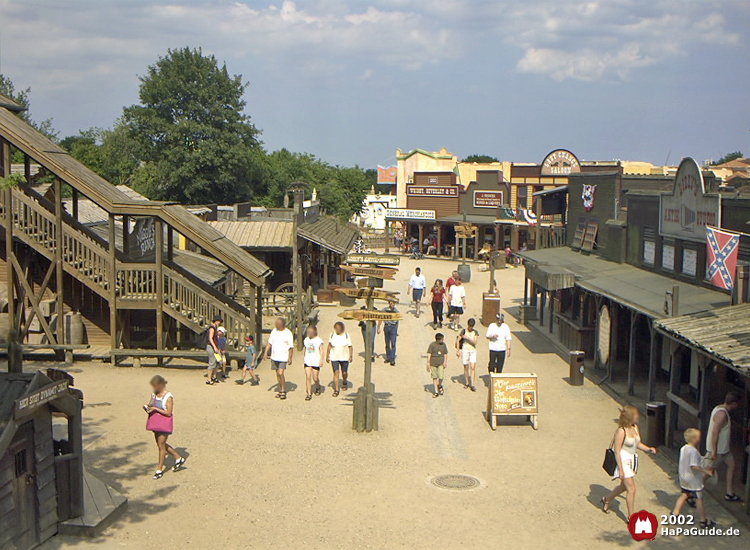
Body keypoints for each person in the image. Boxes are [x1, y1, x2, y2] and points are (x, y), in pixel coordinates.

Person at [601, 406, 657, 519]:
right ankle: (631, 517)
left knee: (623, 487)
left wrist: (648, 449)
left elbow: (638, 444)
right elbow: (617, 451)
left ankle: (607, 499)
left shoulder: (635, 427)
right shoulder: (621, 431)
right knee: (631, 489)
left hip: (632, 461)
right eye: (636, 414)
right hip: (623, 461)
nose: (638, 416)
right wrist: (621, 469)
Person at [702, 392, 742, 502]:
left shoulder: (718, 408)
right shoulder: (722, 415)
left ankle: (729, 493)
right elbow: (715, 432)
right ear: (733, 403)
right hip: (718, 451)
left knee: (732, 465)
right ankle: (692, 489)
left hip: (724, 450)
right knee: (708, 472)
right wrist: (714, 451)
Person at [144, 375, 185, 480]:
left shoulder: (168, 397)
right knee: (160, 443)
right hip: (155, 422)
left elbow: (168, 412)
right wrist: (148, 408)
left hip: (163, 422)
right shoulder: (154, 394)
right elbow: (150, 404)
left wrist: (155, 409)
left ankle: (159, 469)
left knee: (161, 445)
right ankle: (178, 457)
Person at [673, 428, 716, 528]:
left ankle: (675, 513)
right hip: (693, 480)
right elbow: (694, 465)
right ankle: (703, 520)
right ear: (694, 439)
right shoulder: (694, 452)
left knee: (684, 494)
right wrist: (706, 471)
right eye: (698, 437)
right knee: (699, 499)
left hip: (684, 477)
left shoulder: (684, 448)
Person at [264, 317, 294, 400]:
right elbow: (269, 343)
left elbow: (291, 347)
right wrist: (265, 352)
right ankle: (280, 389)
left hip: (283, 357)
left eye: (278, 324)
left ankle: (283, 390)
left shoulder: (288, 333)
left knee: (281, 373)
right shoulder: (274, 331)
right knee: (277, 374)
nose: (276, 325)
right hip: (274, 356)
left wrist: (290, 358)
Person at [326, 321, 353, 397]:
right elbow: (329, 345)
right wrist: (327, 355)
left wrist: (350, 355)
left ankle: (344, 381)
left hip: (344, 357)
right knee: (336, 372)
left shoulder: (346, 335)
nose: (336, 330)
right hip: (334, 357)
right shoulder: (332, 335)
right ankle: (336, 389)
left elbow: (350, 347)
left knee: (344, 372)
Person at [303, 325, 324, 401]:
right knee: (308, 376)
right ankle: (309, 393)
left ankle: (317, 386)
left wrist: (321, 360)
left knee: (315, 377)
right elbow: (305, 349)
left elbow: (322, 351)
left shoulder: (319, 340)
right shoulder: (306, 340)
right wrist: (304, 358)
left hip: (315, 360)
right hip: (308, 360)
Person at [457, 318, 479, 391]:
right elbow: (458, 340)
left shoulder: (475, 332)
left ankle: (472, 384)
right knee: (466, 366)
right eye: (470, 326)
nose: (470, 328)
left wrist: (468, 338)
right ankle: (467, 382)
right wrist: (458, 350)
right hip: (465, 349)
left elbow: (475, 342)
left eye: (472, 326)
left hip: (472, 350)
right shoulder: (463, 331)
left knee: (472, 367)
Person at [426, 333, 449, 398]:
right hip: (433, 363)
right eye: (441, 339)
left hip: (441, 363)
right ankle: (436, 391)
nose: (442, 340)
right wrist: (428, 363)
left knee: (441, 376)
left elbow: (445, 353)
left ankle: (439, 385)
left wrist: (445, 362)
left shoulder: (444, 345)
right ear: (438, 340)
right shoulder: (432, 345)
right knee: (434, 377)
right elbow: (429, 354)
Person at [378, 300, 399, 365]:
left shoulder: (396, 311)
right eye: (391, 303)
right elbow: (380, 318)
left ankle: (392, 359)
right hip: (387, 326)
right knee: (387, 343)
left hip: (393, 327)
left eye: (393, 303)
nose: (393, 304)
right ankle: (388, 357)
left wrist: (396, 330)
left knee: (393, 343)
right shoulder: (384, 310)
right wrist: (379, 327)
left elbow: (397, 322)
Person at [205, 315, 222, 385]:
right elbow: (210, 338)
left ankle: (214, 376)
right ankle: (209, 379)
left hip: (215, 346)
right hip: (211, 347)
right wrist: (214, 347)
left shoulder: (215, 327)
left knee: (218, 361)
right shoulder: (212, 328)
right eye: (218, 321)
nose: (219, 323)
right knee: (212, 362)